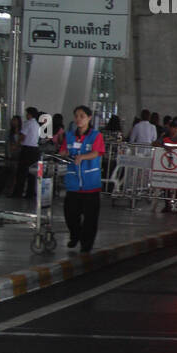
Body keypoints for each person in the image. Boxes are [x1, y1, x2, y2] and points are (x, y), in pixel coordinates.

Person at [62, 105, 106, 254]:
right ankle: (75, 235)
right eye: (76, 116)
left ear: (89, 118)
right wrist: (62, 154)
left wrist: (83, 157)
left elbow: (97, 152)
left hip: (90, 183)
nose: (79, 119)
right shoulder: (69, 136)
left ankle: (86, 244)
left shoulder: (95, 136)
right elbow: (64, 150)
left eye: (82, 116)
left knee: (90, 218)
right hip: (73, 183)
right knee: (70, 214)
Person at [10, 107, 42, 199]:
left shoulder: (28, 123)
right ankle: (30, 193)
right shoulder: (36, 124)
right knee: (32, 173)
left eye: (27, 114)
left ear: (30, 114)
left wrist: (16, 145)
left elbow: (22, 136)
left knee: (21, 172)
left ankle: (18, 193)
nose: (26, 115)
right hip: (35, 150)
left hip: (27, 150)